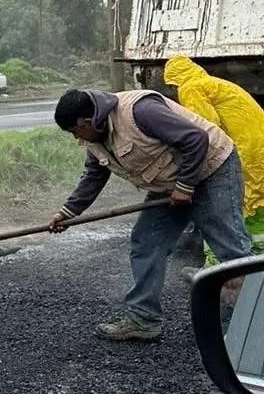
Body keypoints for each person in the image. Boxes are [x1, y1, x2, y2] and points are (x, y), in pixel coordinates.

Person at [48, 87, 252, 342]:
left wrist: (185, 186)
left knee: (230, 247)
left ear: (86, 122)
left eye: (75, 131)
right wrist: (68, 213)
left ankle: (255, 317)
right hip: (171, 183)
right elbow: (94, 176)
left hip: (213, 168)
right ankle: (143, 319)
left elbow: (196, 139)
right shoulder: (95, 139)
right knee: (147, 241)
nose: (76, 138)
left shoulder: (140, 112)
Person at [162, 56, 264, 261]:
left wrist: (192, 171)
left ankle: (218, 267)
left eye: (172, 86)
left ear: (174, 81)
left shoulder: (190, 88)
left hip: (244, 149)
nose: (173, 91)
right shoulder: (214, 83)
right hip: (257, 146)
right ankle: (258, 257)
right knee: (256, 199)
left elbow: (205, 129)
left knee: (223, 203)